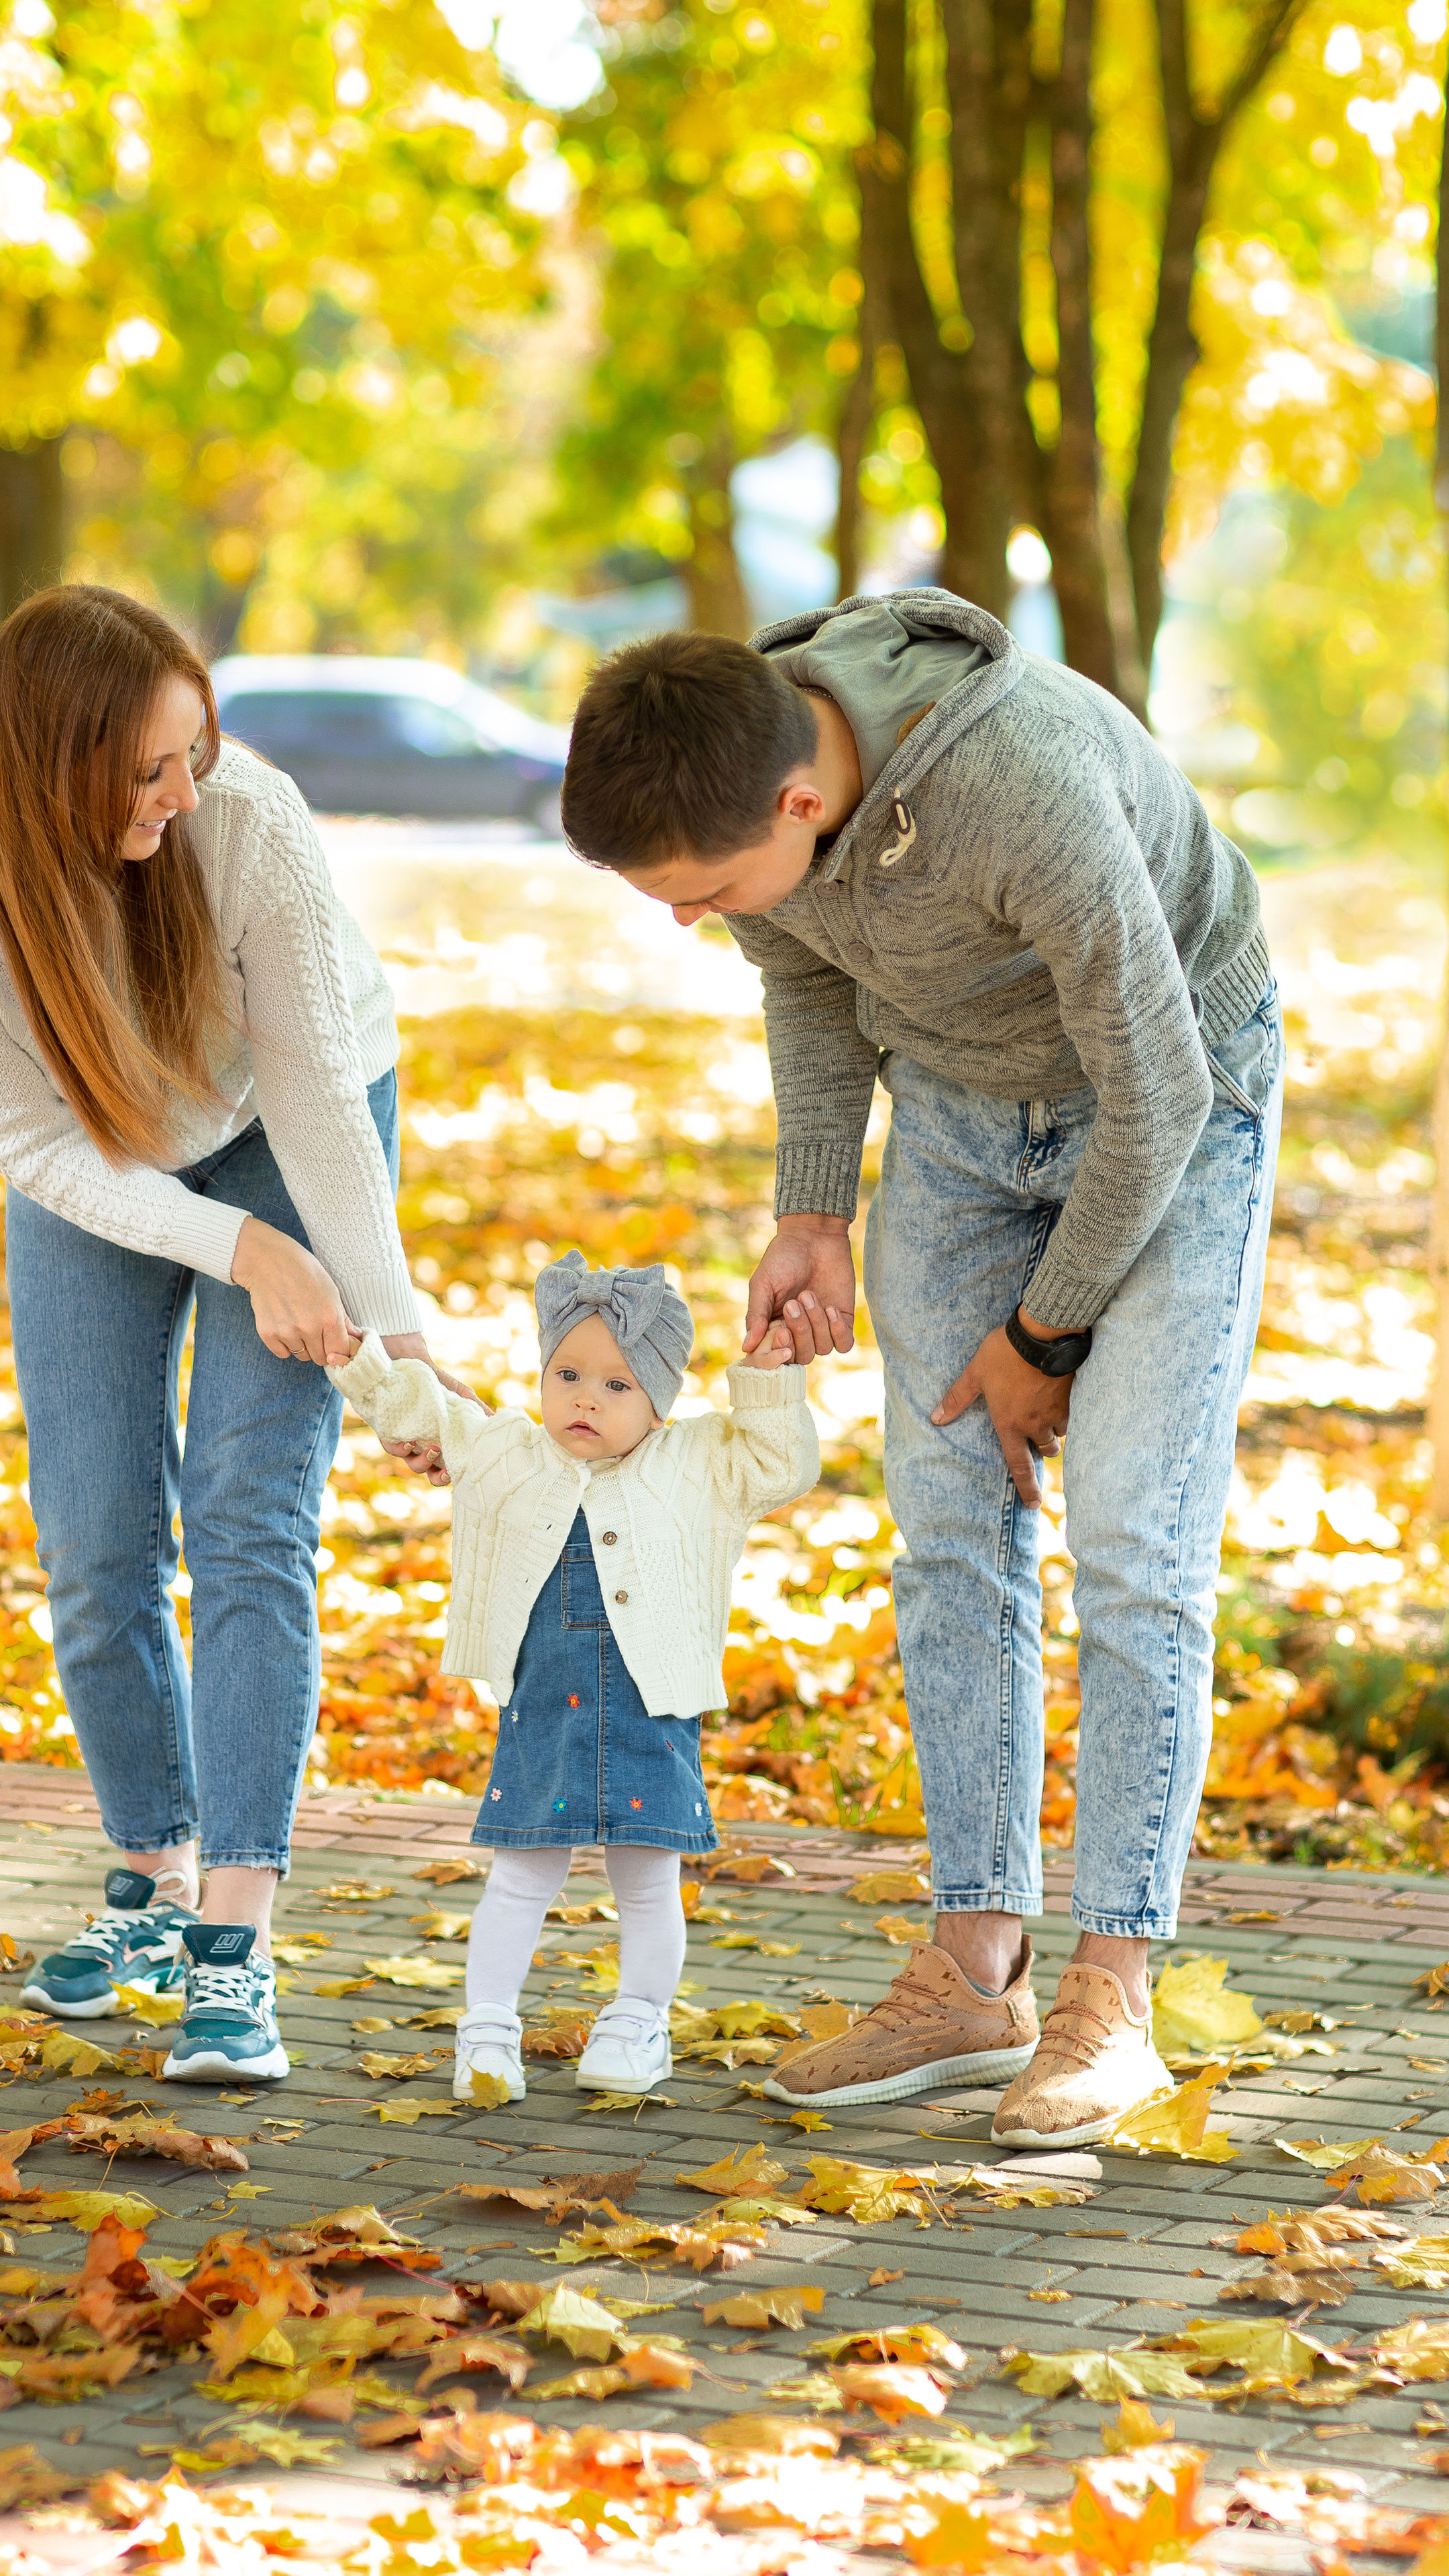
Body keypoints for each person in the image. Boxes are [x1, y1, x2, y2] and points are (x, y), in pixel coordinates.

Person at [558, 588, 1281, 2148]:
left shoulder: (1015, 780)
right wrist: (809, 1211)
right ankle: (974, 1971)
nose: (690, 921)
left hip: (1174, 1096)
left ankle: (1110, 1993)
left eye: (703, 892)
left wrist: (1040, 1334)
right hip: (957, 1115)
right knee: (947, 1528)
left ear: (795, 801)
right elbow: (803, 973)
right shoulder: (739, 770)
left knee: (1133, 1541)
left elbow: (1154, 1089)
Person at [0, 584, 462, 2087]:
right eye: (148, 769)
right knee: (93, 1537)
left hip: (286, 1126)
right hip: (97, 1159)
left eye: (194, 752)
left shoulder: (246, 817)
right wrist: (239, 1252)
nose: (184, 793)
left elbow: (316, 1088)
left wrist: (392, 1334)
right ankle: (152, 1866)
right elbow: (40, 1150)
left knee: (250, 1515)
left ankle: (234, 1933)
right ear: (50, 767)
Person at [325, 1250, 818, 2098]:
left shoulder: (698, 1463)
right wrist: (361, 1360)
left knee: (649, 1879)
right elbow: (426, 1411)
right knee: (520, 1874)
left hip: (651, 1711)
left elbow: (783, 1465)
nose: (586, 1398)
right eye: (568, 1375)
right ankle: (487, 2028)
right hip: (542, 1707)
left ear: (660, 1404)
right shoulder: (507, 1450)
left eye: (618, 1385)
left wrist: (768, 1381)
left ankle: (637, 2021)